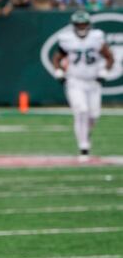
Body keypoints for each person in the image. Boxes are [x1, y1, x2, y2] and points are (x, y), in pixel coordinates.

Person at [51, 10, 114, 161]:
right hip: (75, 81)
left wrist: (104, 71)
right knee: (81, 111)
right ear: (73, 25)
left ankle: (85, 134)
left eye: (84, 23)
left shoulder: (96, 38)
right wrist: (59, 71)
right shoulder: (67, 39)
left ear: (89, 24)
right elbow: (57, 58)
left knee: (93, 116)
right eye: (78, 24)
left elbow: (109, 57)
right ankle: (83, 147)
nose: (81, 26)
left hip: (93, 82)